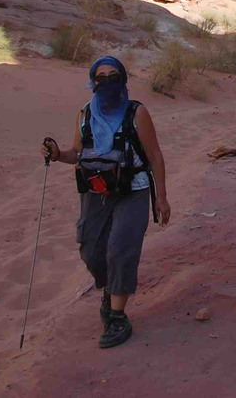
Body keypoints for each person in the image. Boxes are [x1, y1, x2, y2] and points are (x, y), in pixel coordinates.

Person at [41, 56, 171, 349]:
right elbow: (76, 152)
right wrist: (56, 153)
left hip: (133, 190)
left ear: (123, 80)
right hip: (95, 190)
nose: (107, 81)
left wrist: (161, 197)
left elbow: (154, 157)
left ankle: (116, 316)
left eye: (113, 75)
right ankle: (111, 288)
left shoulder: (137, 113)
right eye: (101, 76)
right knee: (91, 251)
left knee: (120, 251)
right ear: (93, 82)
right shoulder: (85, 113)